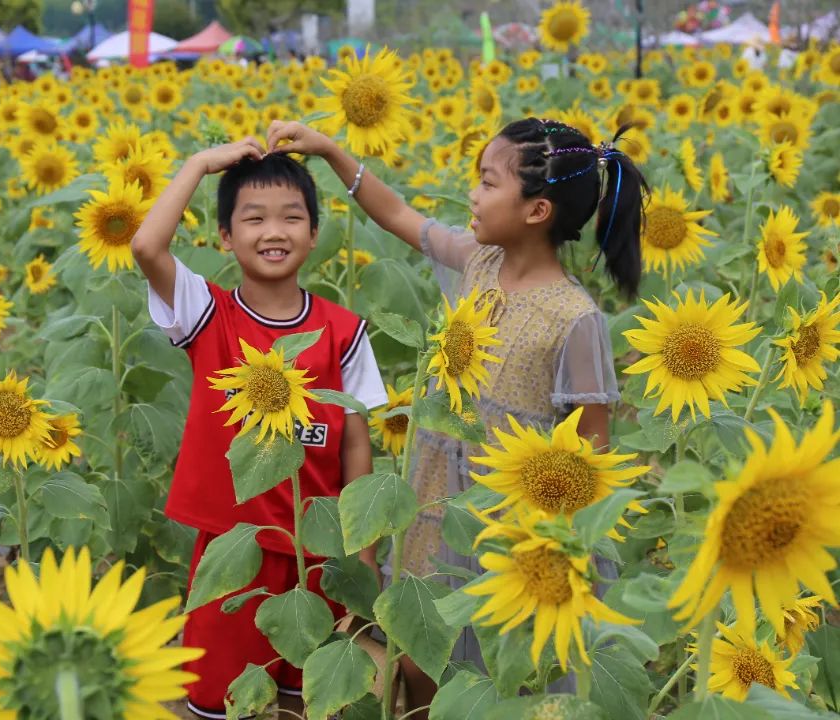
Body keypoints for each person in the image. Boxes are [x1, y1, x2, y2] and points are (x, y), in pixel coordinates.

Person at [266, 116, 648, 714]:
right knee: (420, 647)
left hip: (511, 525)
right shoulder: (480, 261)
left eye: (488, 182)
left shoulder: (574, 319)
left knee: (497, 669)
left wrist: (554, 551)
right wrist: (331, 151)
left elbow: (590, 455)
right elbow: (398, 216)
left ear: (536, 211)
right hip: (434, 496)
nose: (472, 193)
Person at [131, 142, 388, 719]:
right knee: (223, 702)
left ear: (315, 232)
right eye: (254, 218)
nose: (274, 231)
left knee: (311, 700)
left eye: (292, 216)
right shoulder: (208, 315)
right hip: (233, 550)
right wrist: (198, 164)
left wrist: (365, 553)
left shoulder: (342, 331)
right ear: (225, 236)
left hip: (318, 553)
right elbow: (147, 245)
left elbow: (354, 440)